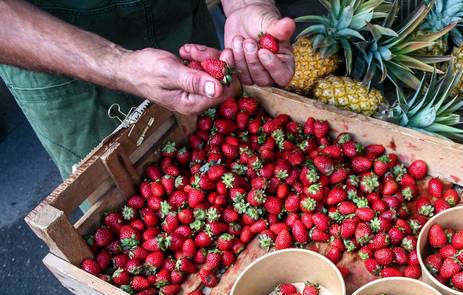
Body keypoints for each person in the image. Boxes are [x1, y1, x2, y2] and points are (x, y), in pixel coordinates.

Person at [0, 0, 295, 178]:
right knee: (117, 187)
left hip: (174, 16)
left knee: (218, 133)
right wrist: (115, 64)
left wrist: (245, 5)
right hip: (59, 53)